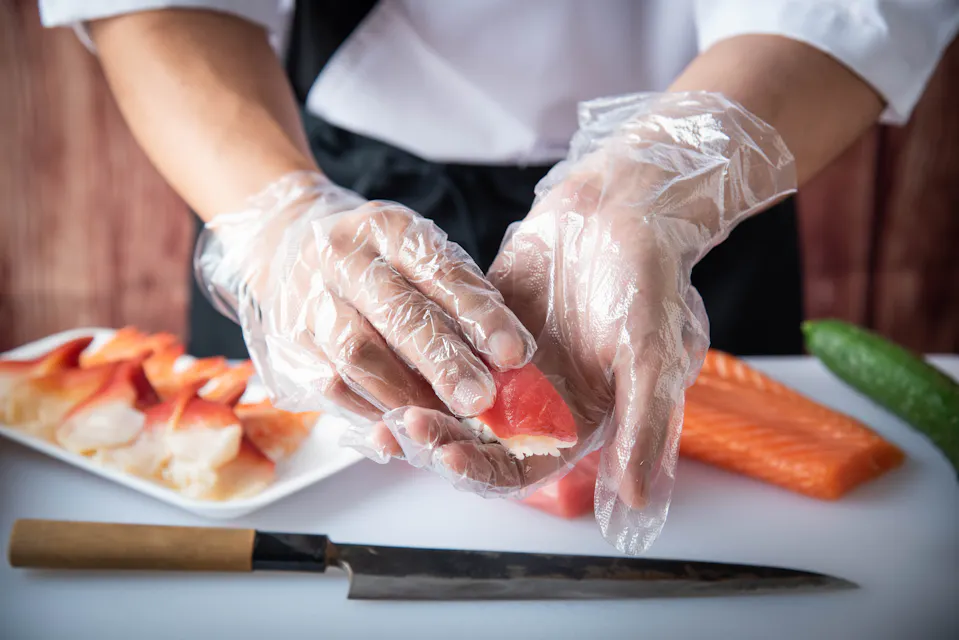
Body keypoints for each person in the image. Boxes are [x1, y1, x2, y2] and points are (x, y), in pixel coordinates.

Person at [40, 0, 959, 553]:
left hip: (694, 182)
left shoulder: (671, 191)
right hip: (313, 189)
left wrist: (651, 186)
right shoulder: (292, 223)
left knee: (727, 547)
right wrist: (277, 224)